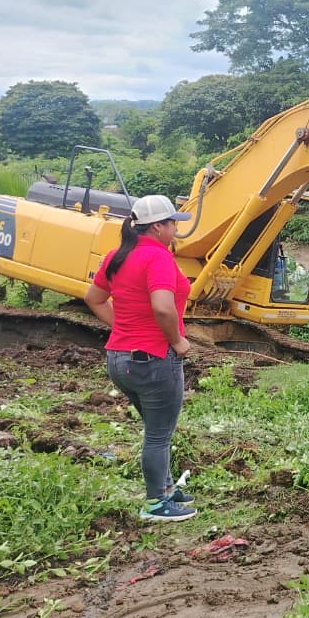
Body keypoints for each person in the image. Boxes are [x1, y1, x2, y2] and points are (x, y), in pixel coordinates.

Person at [84, 194, 197, 522]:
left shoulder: (117, 255)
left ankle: (165, 488)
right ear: (158, 227)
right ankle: (155, 504)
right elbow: (162, 307)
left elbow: (94, 298)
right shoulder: (158, 257)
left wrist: (123, 327)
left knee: (155, 428)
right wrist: (177, 341)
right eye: (173, 222)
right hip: (153, 359)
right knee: (159, 434)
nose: (176, 228)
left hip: (119, 359)